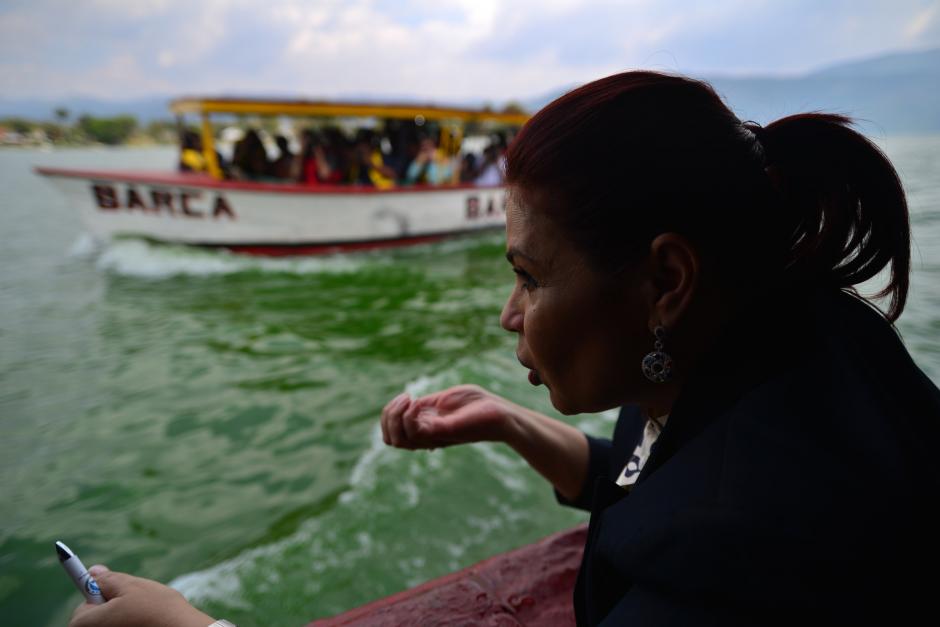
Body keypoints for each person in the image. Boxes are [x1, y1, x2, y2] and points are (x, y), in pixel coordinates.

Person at [66, 71, 940, 627]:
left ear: (665, 278)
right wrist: (515, 424)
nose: (508, 312)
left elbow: (702, 520)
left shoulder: (745, 559)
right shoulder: (769, 337)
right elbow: (656, 475)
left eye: (529, 273)